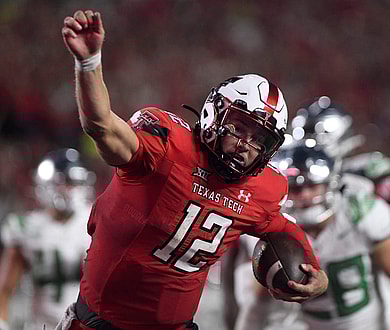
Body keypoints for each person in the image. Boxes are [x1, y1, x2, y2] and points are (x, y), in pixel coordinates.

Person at [58, 9, 328, 330]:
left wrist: (315, 271)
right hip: (100, 324)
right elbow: (101, 126)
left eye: (260, 139)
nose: (246, 144)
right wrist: (89, 63)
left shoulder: (262, 189)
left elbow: (281, 227)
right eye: (240, 128)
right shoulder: (167, 146)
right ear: (215, 114)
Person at [271, 143, 390, 330]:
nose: (305, 195)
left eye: (312, 185)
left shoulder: (358, 212)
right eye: (295, 188)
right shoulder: (271, 227)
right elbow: (257, 302)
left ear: (331, 184)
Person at [0, 148, 95, 330]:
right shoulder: (26, 228)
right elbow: (4, 291)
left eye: (76, 183)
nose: (72, 189)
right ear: (48, 184)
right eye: (65, 182)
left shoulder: (94, 221)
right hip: (40, 325)